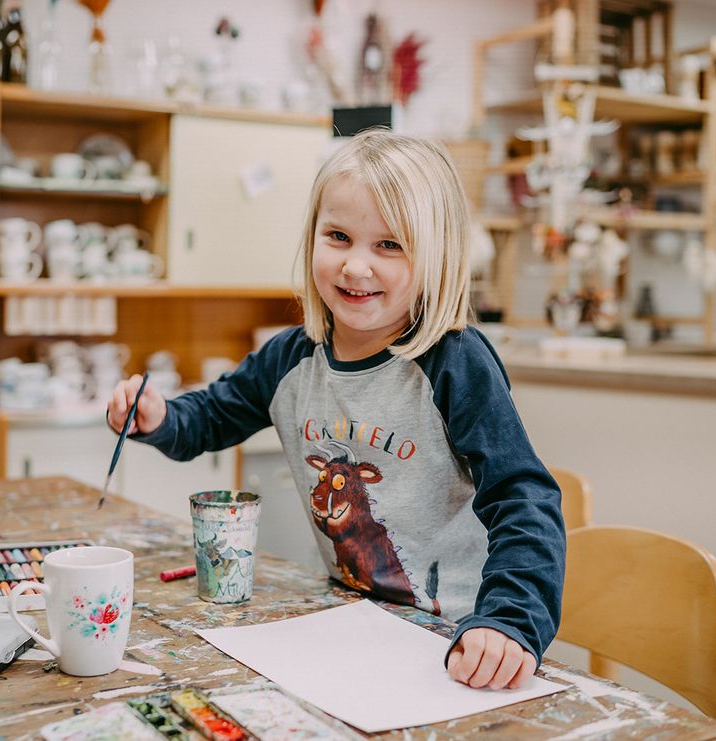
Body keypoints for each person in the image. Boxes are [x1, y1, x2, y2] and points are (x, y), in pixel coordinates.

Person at [107, 129, 565, 691]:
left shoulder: (454, 361)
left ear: (437, 255)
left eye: (389, 245)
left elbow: (525, 499)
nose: (355, 266)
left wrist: (510, 621)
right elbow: (213, 415)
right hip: (356, 631)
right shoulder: (291, 357)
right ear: (312, 238)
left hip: (460, 647)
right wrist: (158, 417)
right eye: (339, 237)